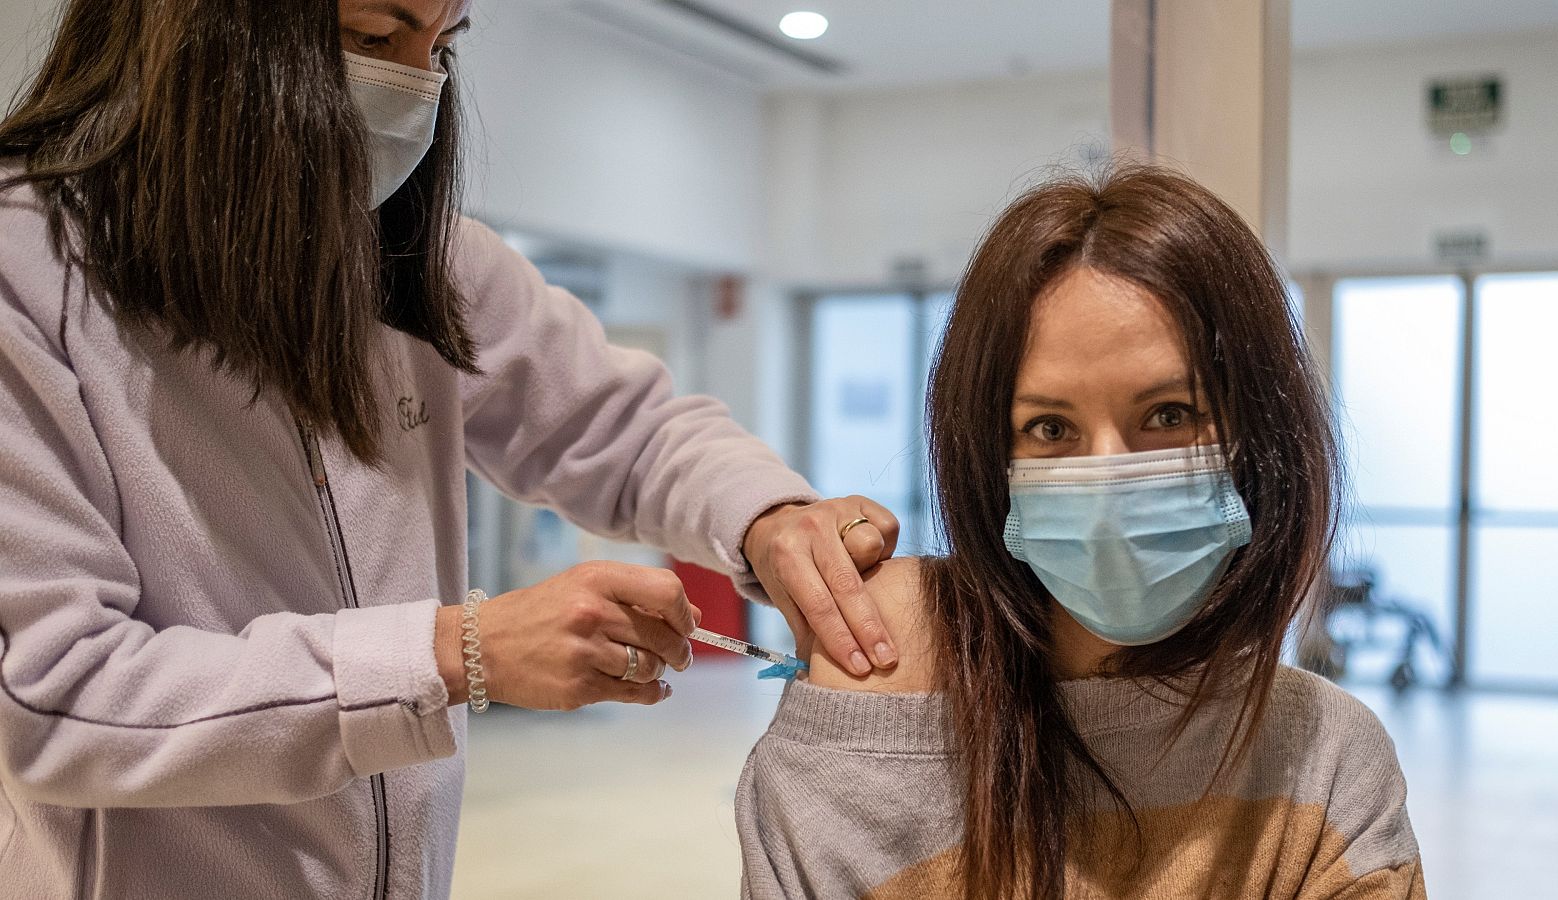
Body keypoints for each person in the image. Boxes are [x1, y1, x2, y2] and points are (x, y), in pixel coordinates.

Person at [0, 1, 903, 897]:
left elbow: (624, 427)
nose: (415, 89)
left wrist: (767, 515)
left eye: (441, 47)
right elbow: (50, 697)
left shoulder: (420, 263)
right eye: (373, 36)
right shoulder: (27, 272)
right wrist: (453, 653)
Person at [736, 165, 1427, 899]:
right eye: (1049, 428)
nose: (1107, 483)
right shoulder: (871, 719)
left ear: (1262, 431)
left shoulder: (1325, 761)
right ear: (987, 460)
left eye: (1169, 415)